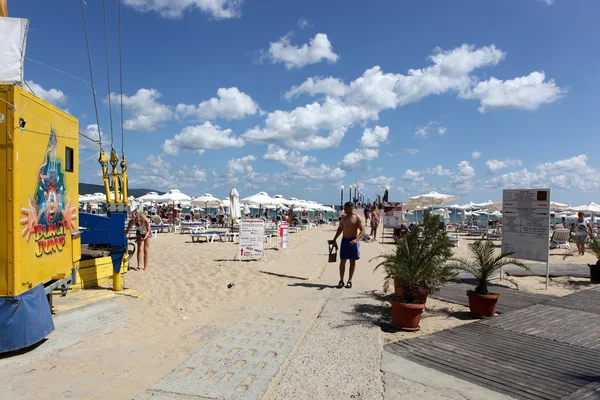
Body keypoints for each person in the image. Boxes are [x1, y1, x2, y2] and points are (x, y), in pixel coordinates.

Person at [332, 202, 366, 289]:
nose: (344, 210)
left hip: (353, 241)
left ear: (351, 208)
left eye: (346, 208)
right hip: (344, 241)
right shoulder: (343, 217)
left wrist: (356, 240)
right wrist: (334, 238)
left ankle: (349, 280)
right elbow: (340, 228)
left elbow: (362, 231)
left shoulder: (357, 217)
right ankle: (341, 280)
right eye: (344, 208)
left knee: (352, 261)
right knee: (342, 261)